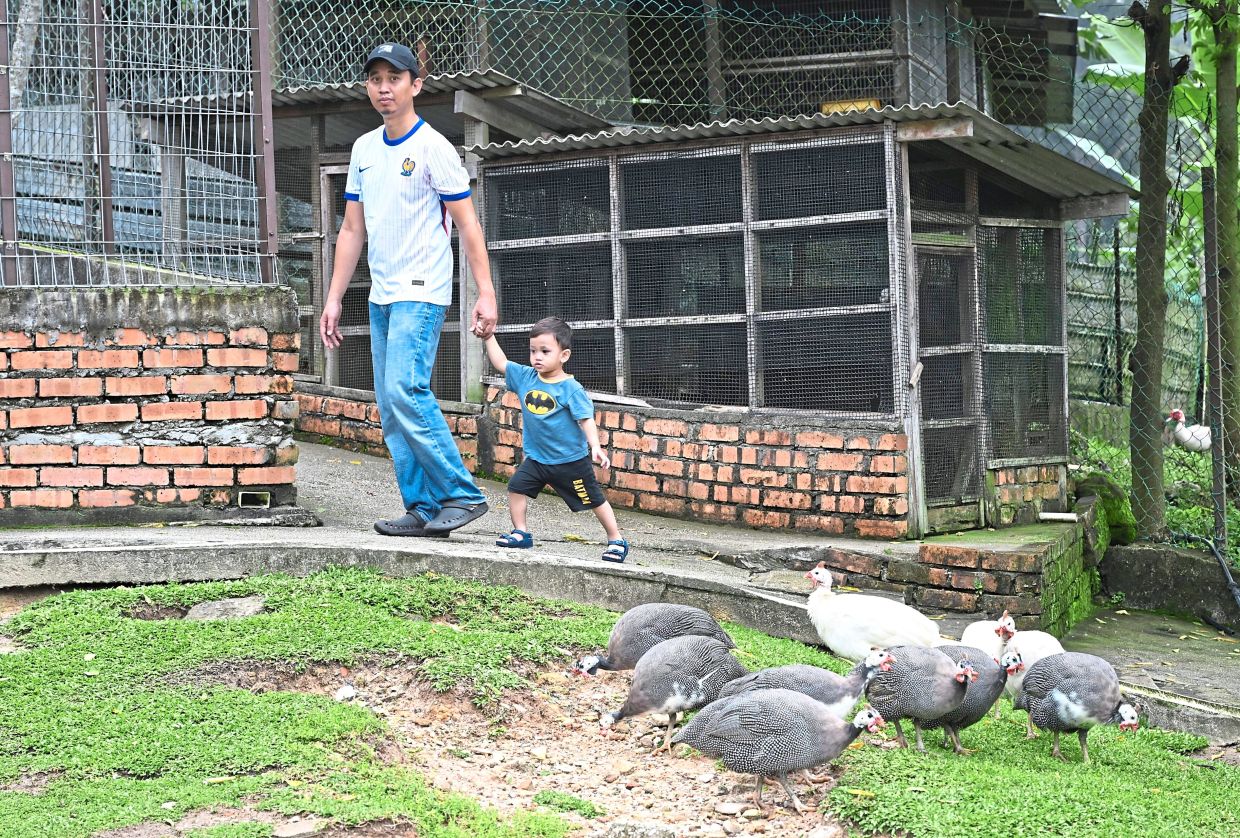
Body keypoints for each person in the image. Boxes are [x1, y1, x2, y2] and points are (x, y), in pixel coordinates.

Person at [319, 42, 494, 537]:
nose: (383, 87)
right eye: (375, 78)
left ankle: (461, 494)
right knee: (389, 403)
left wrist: (486, 293)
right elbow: (352, 230)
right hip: (382, 294)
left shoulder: (433, 147)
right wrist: (333, 298)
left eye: (394, 78)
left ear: (415, 85)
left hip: (422, 290)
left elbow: (468, 224)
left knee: (404, 390)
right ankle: (420, 506)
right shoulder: (364, 150)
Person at [481, 317, 629, 562]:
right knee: (516, 488)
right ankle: (521, 533)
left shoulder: (571, 389)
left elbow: (586, 420)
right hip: (537, 459)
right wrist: (488, 337)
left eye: (545, 351)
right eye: (533, 351)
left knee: (594, 499)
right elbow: (501, 363)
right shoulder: (526, 377)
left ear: (564, 355)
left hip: (570, 462)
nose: (537, 356)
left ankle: (616, 540)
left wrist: (595, 447)